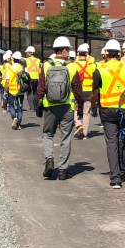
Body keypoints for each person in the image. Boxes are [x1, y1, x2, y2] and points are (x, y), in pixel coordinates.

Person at [90, 39, 125, 188]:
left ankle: (115, 178)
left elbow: (94, 94)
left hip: (107, 110)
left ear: (106, 53)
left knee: (111, 142)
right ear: (119, 53)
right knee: (124, 139)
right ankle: (123, 169)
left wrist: (92, 107)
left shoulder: (99, 70)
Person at [36, 36, 83, 180]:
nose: (69, 52)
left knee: (48, 134)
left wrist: (37, 104)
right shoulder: (72, 67)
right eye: (68, 49)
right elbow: (78, 90)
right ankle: (63, 170)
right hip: (67, 107)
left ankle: (49, 160)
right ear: (63, 51)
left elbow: (41, 88)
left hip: (50, 106)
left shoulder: (46, 65)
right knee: (65, 137)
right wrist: (80, 109)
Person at [72, 43, 96, 139]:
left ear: (78, 54)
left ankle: (78, 124)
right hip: (89, 90)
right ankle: (85, 134)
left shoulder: (74, 65)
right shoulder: (93, 66)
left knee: (76, 109)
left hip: (78, 91)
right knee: (86, 112)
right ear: (87, 54)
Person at [4, 51, 26, 129]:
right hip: (20, 90)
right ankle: (19, 124)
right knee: (20, 107)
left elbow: (7, 82)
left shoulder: (9, 68)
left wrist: (5, 91)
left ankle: (14, 118)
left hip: (12, 90)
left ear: (13, 58)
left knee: (11, 105)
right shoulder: (23, 68)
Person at [23, 46, 41, 111]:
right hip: (36, 78)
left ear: (30, 53)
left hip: (29, 79)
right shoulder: (38, 60)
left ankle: (32, 107)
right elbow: (39, 70)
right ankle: (36, 106)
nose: (26, 54)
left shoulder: (26, 60)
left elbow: (24, 70)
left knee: (29, 93)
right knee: (35, 92)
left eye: (27, 52)